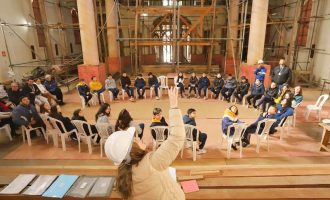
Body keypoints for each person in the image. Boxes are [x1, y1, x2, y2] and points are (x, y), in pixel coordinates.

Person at [104, 87, 185, 199]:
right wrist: (174, 106)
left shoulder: (123, 174)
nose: (137, 138)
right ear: (132, 149)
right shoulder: (153, 162)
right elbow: (177, 137)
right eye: (133, 140)